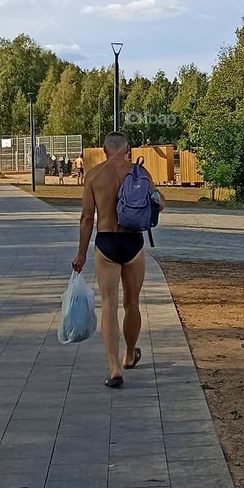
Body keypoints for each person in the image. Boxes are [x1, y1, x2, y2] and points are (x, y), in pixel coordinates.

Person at [72, 132, 165, 388]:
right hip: (133, 242)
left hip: (106, 243)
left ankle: (114, 368)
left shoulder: (93, 175)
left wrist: (81, 254)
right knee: (132, 302)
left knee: (110, 305)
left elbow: (87, 218)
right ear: (128, 150)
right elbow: (159, 202)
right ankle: (129, 353)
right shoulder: (140, 173)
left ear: (104, 150)